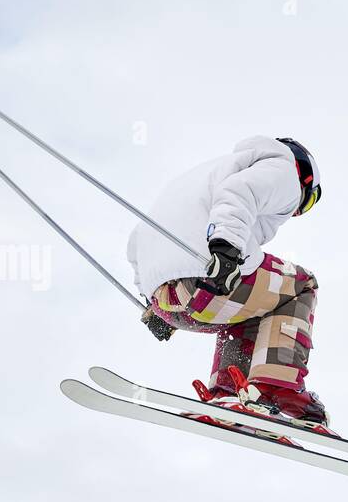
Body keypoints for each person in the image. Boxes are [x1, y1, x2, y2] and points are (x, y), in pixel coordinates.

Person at [127, 136, 330, 431]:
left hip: (168, 300)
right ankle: (276, 386)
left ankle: (229, 391)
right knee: (301, 285)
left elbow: (136, 239)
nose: (296, 212)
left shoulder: (202, 176)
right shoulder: (285, 169)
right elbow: (239, 192)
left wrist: (151, 302)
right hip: (208, 277)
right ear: (306, 178)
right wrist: (226, 248)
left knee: (257, 303)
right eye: (308, 202)